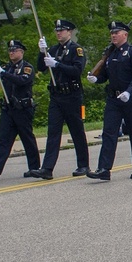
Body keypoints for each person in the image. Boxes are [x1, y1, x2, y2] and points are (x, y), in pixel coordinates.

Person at [86, 20, 132, 181]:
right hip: (114, 99)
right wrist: (96, 78)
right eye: (112, 33)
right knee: (109, 133)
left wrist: (129, 92)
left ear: (125, 35)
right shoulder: (110, 54)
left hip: (131, 99)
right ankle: (104, 169)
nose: (113, 35)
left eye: (116, 33)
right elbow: (106, 76)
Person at [32, 19, 90, 179]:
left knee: (76, 131)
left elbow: (77, 70)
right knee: (53, 132)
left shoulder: (76, 50)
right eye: (57, 30)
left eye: (62, 30)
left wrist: (57, 64)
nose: (58, 33)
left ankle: (83, 165)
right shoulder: (54, 49)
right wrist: (42, 51)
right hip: (57, 96)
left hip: (71, 95)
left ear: (69, 32)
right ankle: (47, 168)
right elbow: (41, 67)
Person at [0, 40, 40, 181]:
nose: (12, 52)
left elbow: (21, 81)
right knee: (3, 140)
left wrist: (3, 72)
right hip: (8, 109)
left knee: (27, 138)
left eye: (15, 50)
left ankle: (34, 167)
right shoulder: (7, 67)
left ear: (21, 52)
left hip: (22, 109)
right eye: (10, 50)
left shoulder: (27, 68)